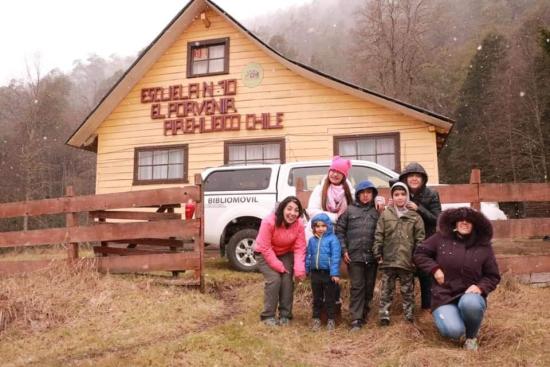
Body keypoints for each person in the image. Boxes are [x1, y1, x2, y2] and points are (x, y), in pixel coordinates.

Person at [413, 207, 501, 351]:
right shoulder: (440, 238)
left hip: (469, 295)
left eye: (469, 221)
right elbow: (420, 253)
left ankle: (471, 337)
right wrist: (434, 269)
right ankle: (455, 323)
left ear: (475, 225)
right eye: (461, 220)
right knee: (454, 331)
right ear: (454, 223)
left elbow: (493, 276)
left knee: (470, 304)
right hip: (443, 295)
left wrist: (480, 287)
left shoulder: (484, 247)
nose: (464, 223)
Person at [374, 182, 425, 325]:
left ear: (407, 196)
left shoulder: (415, 217)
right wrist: (378, 252)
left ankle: (408, 315)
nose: (400, 197)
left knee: (407, 290)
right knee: (386, 289)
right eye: (396, 195)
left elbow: (420, 239)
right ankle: (384, 315)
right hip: (388, 259)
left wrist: (416, 257)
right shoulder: (386, 214)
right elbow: (379, 234)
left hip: (406, 260)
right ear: (392, 197)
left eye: (403, 194)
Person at [335, 180, 381, 331]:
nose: (366, 196)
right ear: (358, 195)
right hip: (354, 257)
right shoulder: (349, 211)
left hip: (372, 257)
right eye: (362, 193)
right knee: (357, 287)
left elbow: (383, 232)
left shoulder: (377, 212)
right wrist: (344, 249)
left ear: (373, 194)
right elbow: (339, 231)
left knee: (369, 287)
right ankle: (356, 319)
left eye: (369, 193)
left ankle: (365, 313)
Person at [254, 196, 307, 326]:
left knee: (287, 281)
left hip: (285, 253)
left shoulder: (299, 224)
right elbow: (265, 248)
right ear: (282, 208)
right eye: (289, 209)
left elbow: (300, 247)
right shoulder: (268, 221)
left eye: (296, 210)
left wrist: (299, 269)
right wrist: (278, 266)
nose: (292, 213)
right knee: (275, 280)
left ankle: (285, 315)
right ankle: (268, 316)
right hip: (264, 253)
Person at [398, 162, 442, 310]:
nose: (414, 179)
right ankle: (408, 308)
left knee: (425, 274)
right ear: (405, 179)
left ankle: (427, 307)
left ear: (423, 179)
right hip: (406, 240)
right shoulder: (401, 192)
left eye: (418, 176)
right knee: (407, 273)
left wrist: (419, 209)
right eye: (411, 176)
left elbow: (437, 219)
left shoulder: (431, 194)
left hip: (427, 240)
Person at [306, 213, 341, 331]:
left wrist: (335, 273)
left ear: (328, 226)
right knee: (317, 297)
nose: (320, 229)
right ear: (313, 227)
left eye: (323, 226)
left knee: (330, 297)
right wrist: (306, 270)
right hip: (315, 273)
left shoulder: (333, 239)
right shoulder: (311, 241)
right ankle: (316, 319)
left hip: (328, 274)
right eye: (317, 226)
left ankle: (331, 319)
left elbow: (336, 257)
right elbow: (309, 256)